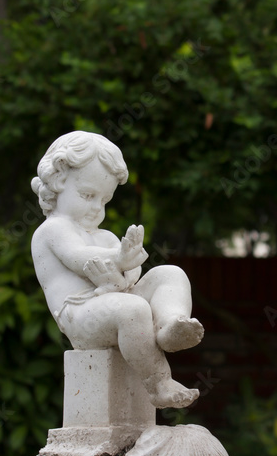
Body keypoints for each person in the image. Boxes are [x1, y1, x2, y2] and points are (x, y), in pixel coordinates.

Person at [30, 131, 203, 408]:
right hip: (80, 314)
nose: (96, 208)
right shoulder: (53, 229)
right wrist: (121, 261)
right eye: (88, 195)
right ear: (59, 180)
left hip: (114, 296)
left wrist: (125, 270)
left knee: (169, 274)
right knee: (131, 310)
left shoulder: (106, 237)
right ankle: (159, 383)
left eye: (104, 200)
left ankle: (171, 325)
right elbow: (79, 258)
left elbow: (132, 275)